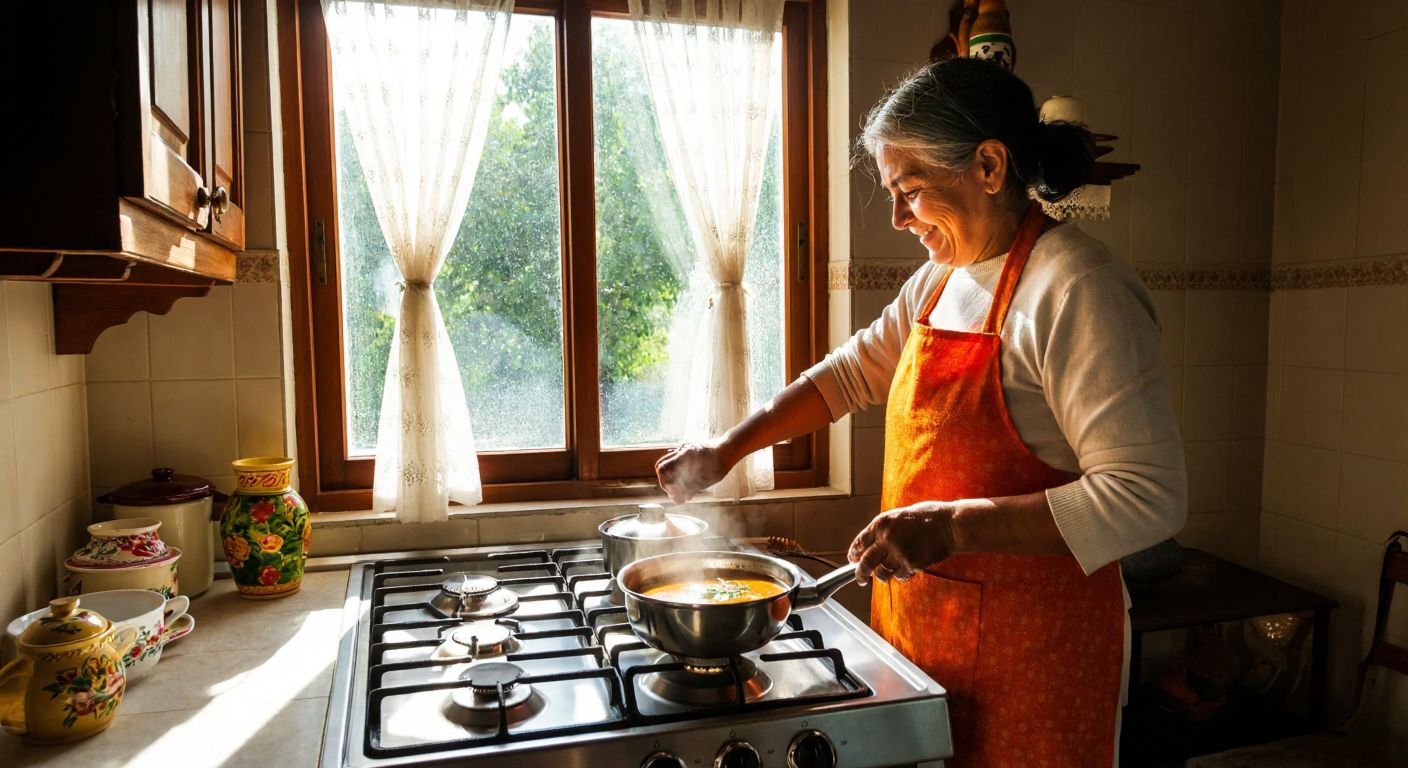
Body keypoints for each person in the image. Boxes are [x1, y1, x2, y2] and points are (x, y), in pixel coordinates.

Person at [655, 57, 1186, 767]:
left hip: (1036, 655)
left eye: (911, 191)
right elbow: (848, 376)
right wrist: (729, 448)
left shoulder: (1079, 290)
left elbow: (1148, 498)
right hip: (921, 635)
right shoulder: (943, 280)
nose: (901, 218)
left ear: (990, 166)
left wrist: (953, 524)